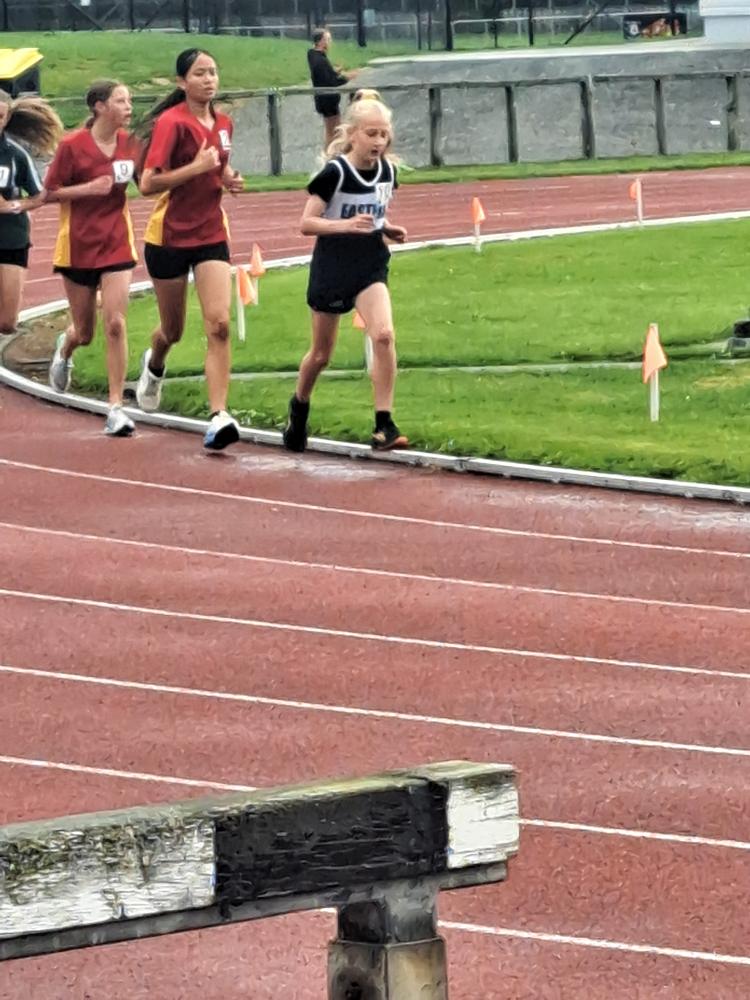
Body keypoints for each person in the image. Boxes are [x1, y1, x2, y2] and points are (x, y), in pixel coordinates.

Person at [283, 97, 409, 454]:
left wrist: (387, 228)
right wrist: (345, 225)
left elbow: (375, 214)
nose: (378, 141)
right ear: (352, 134)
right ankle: (299, 406)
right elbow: (307, 223)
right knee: (321, 354)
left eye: (384, 134)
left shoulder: (387, 172)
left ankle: (384, 423)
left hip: (370, 263)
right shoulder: (335, 173)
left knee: (383, 335)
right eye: (371, 134)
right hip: (333, 266)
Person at [136, 48, 244, 451]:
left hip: (211, 233)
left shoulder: (224, 123)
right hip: (168, 237)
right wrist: (196, 169)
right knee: (173, 330)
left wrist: (227, 177)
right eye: (200, 73)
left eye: (213, 72)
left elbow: (218, 163)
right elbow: (147, 184)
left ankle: (219, 416)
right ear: (182, 82)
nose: (209, 79)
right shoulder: (172, 123)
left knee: (220, 324)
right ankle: (154, 364)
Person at [45, 80, 139, 437]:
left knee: (115, 323)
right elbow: (48, 193)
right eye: (121, 100)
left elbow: (148, 180)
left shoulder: (131, 144)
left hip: (117, 243)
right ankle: (66, 347)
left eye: (129, 101)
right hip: (78, 246)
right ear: (100, 106)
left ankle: (115, 407)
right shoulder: (72, 146)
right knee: (85, 332)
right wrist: (89, 189)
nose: (129, 107)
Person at [0, 91, 61, 333]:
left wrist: (13, 206)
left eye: (0, 116)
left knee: (7, 323)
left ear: (7, 118)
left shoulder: (16, 155)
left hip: (11, 238)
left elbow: (39, 195)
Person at [307, 29, 357, 147]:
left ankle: (331, 151)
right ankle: (331, 152)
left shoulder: (314, 55)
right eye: (328, 39)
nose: (330, 42)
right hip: (327, 99)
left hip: (324, 98)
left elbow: (325, 76)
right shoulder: (320, 61)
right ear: (321, 41)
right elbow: (330, 82)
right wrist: (347, 78)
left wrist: (334, 72)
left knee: (333, 130)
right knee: (334, 131)